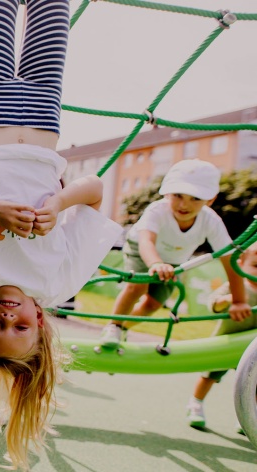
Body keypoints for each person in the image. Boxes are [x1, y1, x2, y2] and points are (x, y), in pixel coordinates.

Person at [0, 1, 123, 469]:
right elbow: (95, 190)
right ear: (41, 319)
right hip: (43, 118)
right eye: (21, 327)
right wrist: (58, 203)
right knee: (51, 9)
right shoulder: (59, 282)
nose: (8, 316)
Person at [97, 160, 249, 348]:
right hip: (142, 250)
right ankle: (114, 326)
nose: (184, 204)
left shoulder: (211, 221)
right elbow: (146, 242)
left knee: (153, 304)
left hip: (175, 261)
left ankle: (122, 327)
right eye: (178, 195)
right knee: (137, 287)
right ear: (167, 193)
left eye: (195, 198)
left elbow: (229, 260)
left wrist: (239, 301)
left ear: (210, 200)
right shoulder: (157, 210)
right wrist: (155, 263)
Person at [186, 246, 256, 431]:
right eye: (256, 266)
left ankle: (249, 416)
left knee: (252, 384)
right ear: (241, 265)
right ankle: (196, 403)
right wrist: (227, 300)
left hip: (250, 350)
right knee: (209, 375)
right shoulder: (237, 286)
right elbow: (213, 303)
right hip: (226, 342)